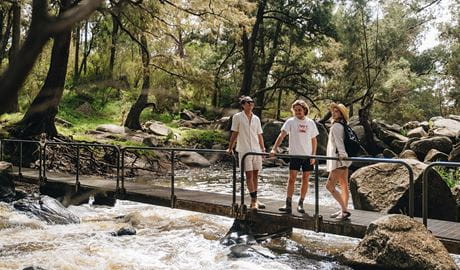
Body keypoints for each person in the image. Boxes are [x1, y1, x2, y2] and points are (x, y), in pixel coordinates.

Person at [269, 100, 318, 214]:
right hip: (295, 155)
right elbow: (282, 135)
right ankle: (288, 203)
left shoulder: (310, 123)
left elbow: (314, 140)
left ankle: (301, 203)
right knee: (292, 179)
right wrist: (274, 148)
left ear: (304, 110)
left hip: (307, 155)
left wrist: (313, 155)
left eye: (299, 110)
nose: (297, 112)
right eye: (295, 110)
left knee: (305, 179)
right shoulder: (290, 122)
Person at [227, 96, 266, 209]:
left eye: (252, 102)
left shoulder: (256, 119)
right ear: (243, 105)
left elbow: (259, 135)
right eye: (248, 103)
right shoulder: (237, 117)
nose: (250, 104)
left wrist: (263, 149)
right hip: (244, 150)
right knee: (248, 175)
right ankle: (253, 201)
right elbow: (234, 133)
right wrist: (230, 148)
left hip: (256, 150)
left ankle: (256, 199)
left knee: (255, 175)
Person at [326, 103, 352, 220]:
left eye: (336, 111)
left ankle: (345, 211)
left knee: (329, 186)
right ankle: (343, 209)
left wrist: (342, 154)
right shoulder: (343, 125)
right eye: (333, 111)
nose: (333, 113)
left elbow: (339, 142)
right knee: (344, 185)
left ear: (341, 114)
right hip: (344, 160)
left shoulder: (336, 126)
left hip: (339, 160)